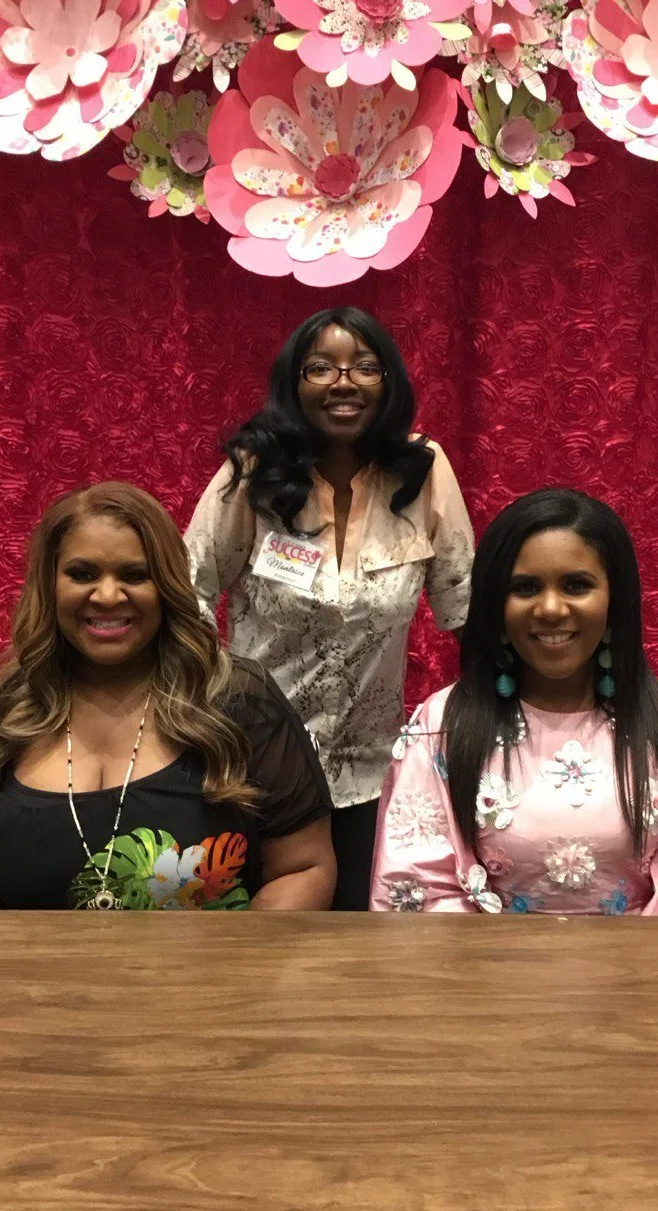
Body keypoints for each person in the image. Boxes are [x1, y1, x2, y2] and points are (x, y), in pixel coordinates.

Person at [370, 489, 658, 918]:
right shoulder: (441, 727)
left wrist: (629, 976)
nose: (551, 609)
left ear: (614, 599)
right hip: (484, 978)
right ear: (496, 603)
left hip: (649, 977)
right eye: (525, 587)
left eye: (577, 585)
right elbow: (418, 895)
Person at [0, 483, 336, 911]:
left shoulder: (240, 701)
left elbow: (302, 869)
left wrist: (239, 974)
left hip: (208, 977)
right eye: (82, 574)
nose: (107, 595)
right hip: (32, 979)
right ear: (50, 583)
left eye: (135, 575)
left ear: (169, 585)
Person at [185, 307, 474, 910]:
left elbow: (465, 608)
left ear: (389, 383)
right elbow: (187, 589)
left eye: (365, 368)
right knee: (243, 951)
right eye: (321, 368)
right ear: (294, 384)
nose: (344, 383)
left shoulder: (422, 471)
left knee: (354, 959)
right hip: (247, 772)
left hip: (371, 778)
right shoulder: (253, 471)